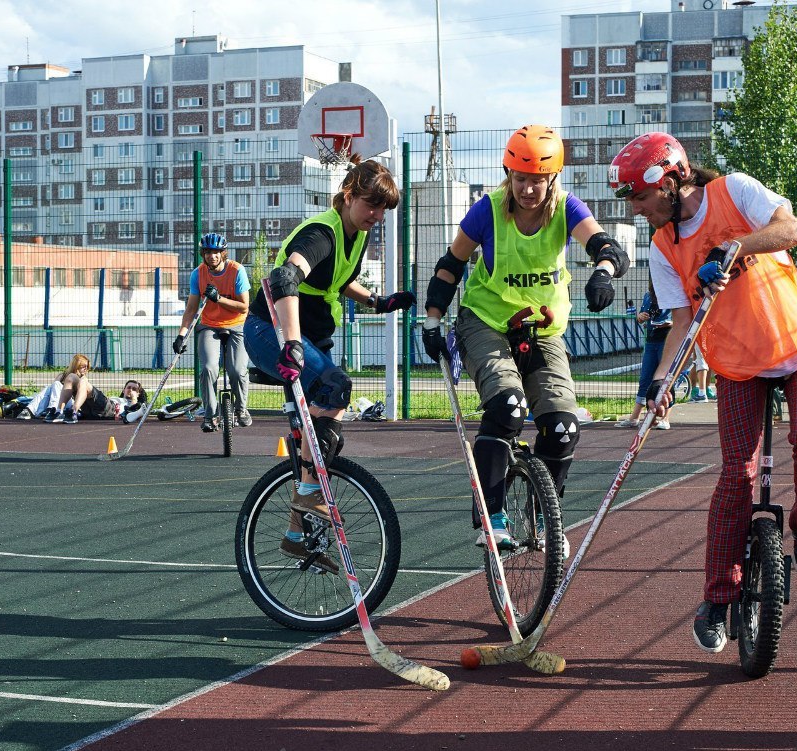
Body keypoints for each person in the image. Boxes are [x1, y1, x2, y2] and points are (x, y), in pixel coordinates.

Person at [608, 131, 797, 655]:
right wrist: (666, 381)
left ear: (669, 181)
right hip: (734, 364)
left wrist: (733, 247)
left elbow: (792, 229)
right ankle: (716, 599)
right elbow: (681, 321)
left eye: (640, 198)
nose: (638, 210)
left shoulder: (734, 191)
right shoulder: (664, 246)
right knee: (738, 474)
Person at [421, 124, 629, 548]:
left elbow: (605, 246)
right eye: (520, 179)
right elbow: (450, 266)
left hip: (544, 330)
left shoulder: (567, 208)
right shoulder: (488, 210)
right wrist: (431, 320)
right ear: (508, 175)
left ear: (552, 179)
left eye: (537, 181)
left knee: (563, 427)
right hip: (486, 322)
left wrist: (603, 273)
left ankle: (545, 513)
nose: (528, 190)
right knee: (508, 408)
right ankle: (491, 516)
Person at [243, 159, 413, 572]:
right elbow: (285, 277)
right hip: (272, 331)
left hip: (308, 338)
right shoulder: (322, 232)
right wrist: (293, 343)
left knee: (317, 439)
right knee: (336, 386)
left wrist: (376, 301)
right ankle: (306, 491)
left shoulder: (355, 234)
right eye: (371, 204)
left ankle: (296, 534)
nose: (377, 215)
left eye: (383, 209)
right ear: (350, 194)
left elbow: (337, 278)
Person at [172, 232, 254, 431]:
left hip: (237, 325)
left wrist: (219, 299)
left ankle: (241, 409)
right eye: (208, 252)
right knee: (208, 368)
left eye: (216, 252)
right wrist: (181, 335)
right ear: (203, 253)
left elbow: (244, 306)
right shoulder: (198, 274)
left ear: (223, 253)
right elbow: (191, 309)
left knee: (236, 371)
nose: (212, 256)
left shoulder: (237, 271)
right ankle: (210, 415)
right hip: (209, 325)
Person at [616, 283, 672, 431]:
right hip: (650, 341)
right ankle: (635, 417)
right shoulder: (648, 296)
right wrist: (640, 317)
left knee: (666, 378)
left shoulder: (673, 292)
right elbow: (640, 318)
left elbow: (682, 320)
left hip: (667, 340)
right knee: (645, 378)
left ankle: (665, 418)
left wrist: (669, 323)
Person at [42, 353, 101, 423]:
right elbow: (53, 391)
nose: (86, 369)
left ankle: (59, 410)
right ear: (76, 366)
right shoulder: (62, 376)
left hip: (74, 403)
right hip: (61, 402)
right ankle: (31, 410)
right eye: (83, 366)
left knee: (82, 381)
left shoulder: (83, 380)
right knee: (50, 387)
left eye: (87, 367)